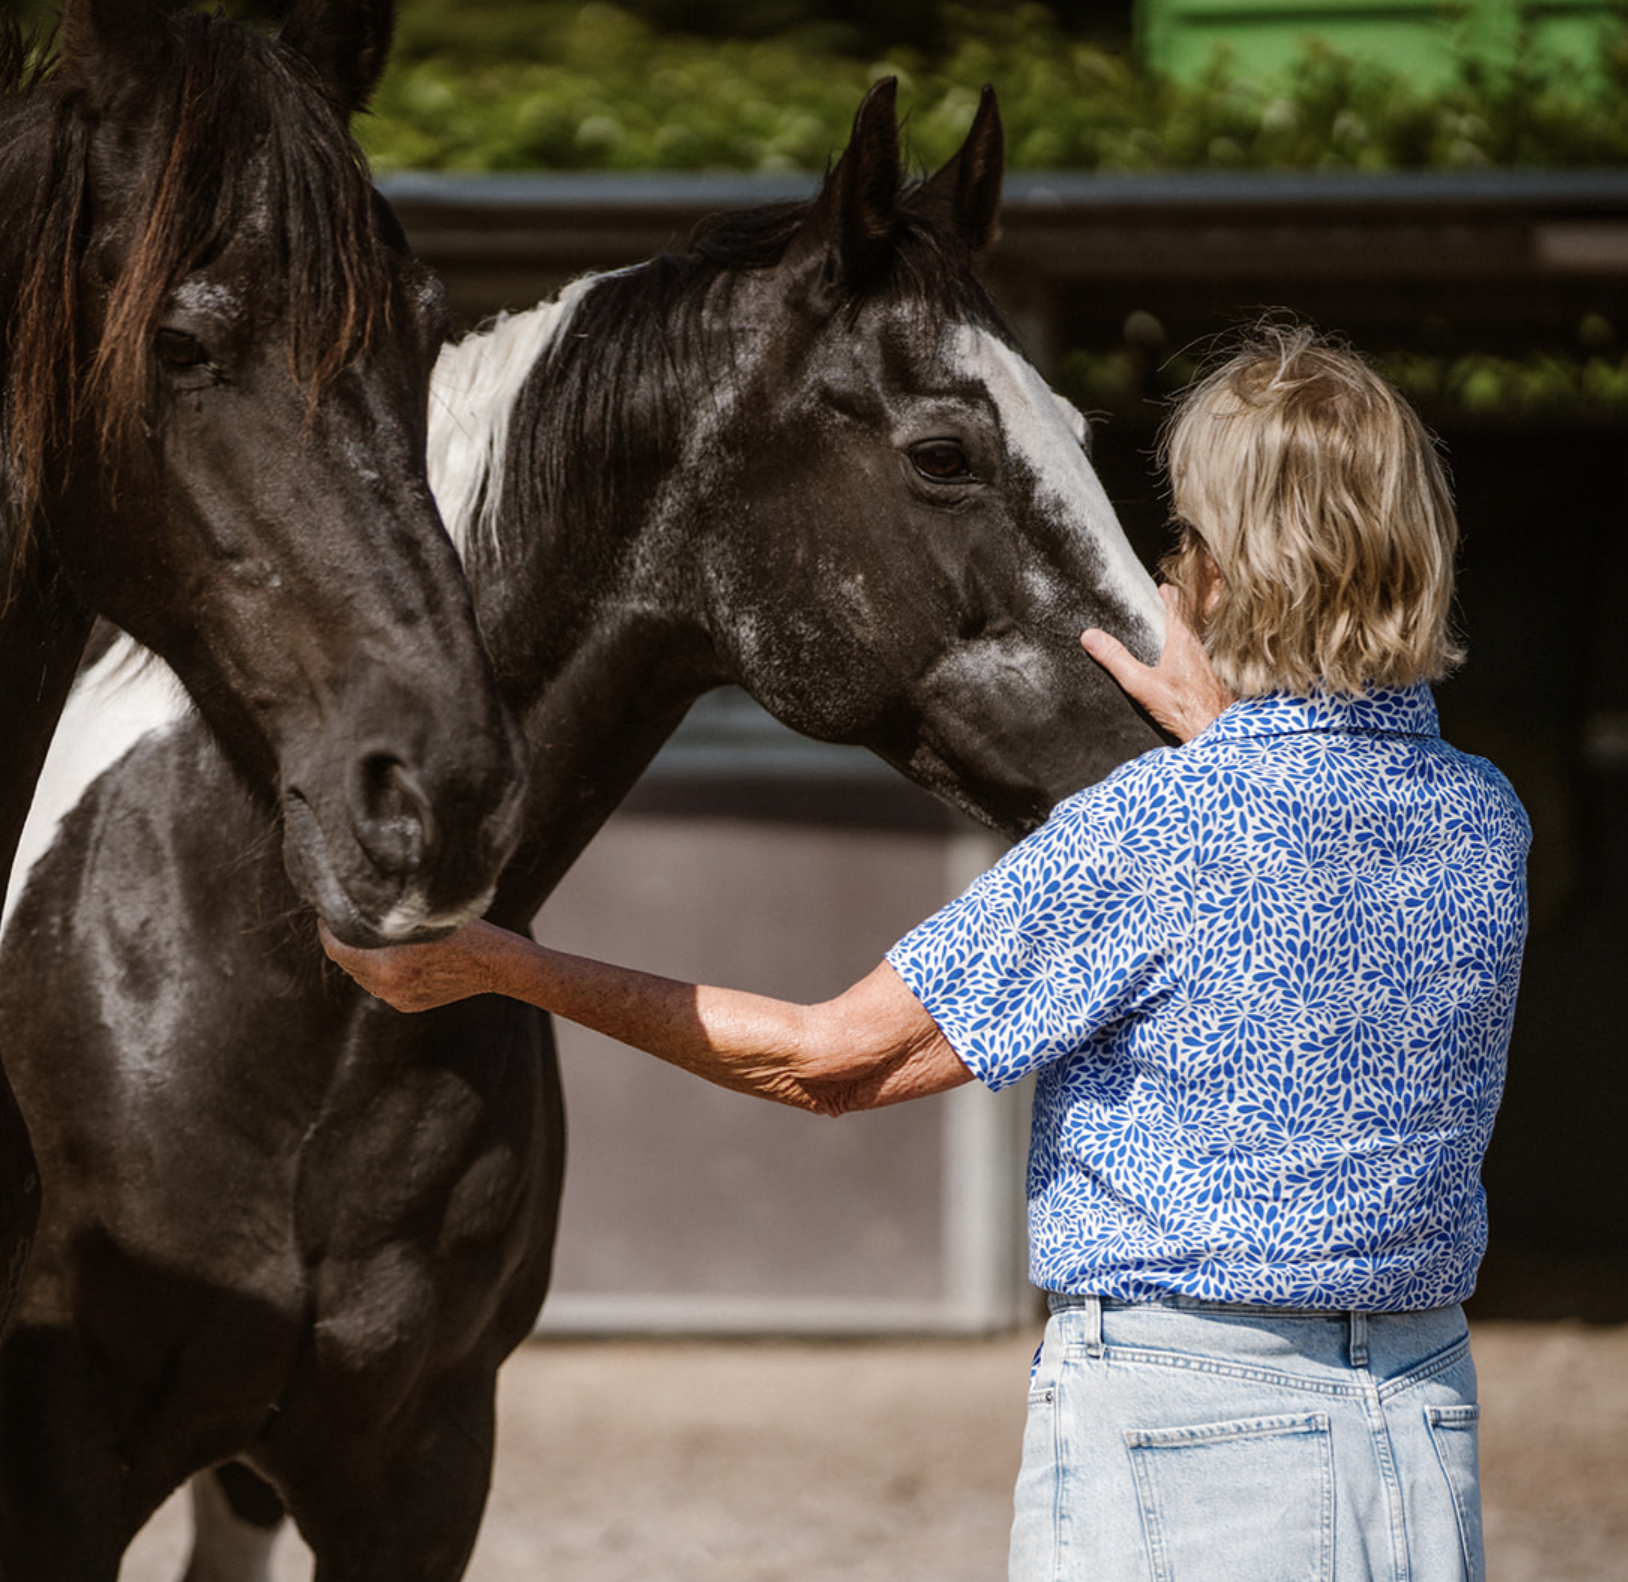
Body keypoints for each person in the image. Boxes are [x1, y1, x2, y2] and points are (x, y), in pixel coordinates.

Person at [320, 320, 1529, 1582]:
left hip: (1188, 1417)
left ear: (1222, 570)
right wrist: (1232, 732)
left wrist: (498, 961)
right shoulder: (1482, 816)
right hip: (1418, 1410)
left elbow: (827, 1061)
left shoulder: (1162, 830)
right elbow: (1297, 866)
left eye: (1179, 537)